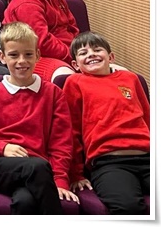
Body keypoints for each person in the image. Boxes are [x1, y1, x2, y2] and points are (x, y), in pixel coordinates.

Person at [0, 21, 79, 214]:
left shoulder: (53, 94)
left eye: (28, 54)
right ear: (2, 57)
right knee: (38, 167)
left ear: (38, 56)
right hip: (0, 167)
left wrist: (60, 180)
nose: (21, 61)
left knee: (24, 201)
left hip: (39, 171)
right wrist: (2, 148)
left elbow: (62, 142)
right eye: (14, 55)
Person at [64, 32, 150, 215]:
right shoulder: (75, 82)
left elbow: (148, 118)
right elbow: (71, 131)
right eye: (83, 53)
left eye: (97, 50)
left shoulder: (131, 78)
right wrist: (75, 173)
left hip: (149, 157)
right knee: (129, 208)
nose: (91, 54)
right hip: (109, 162)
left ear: (111, 57)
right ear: (75, 65)